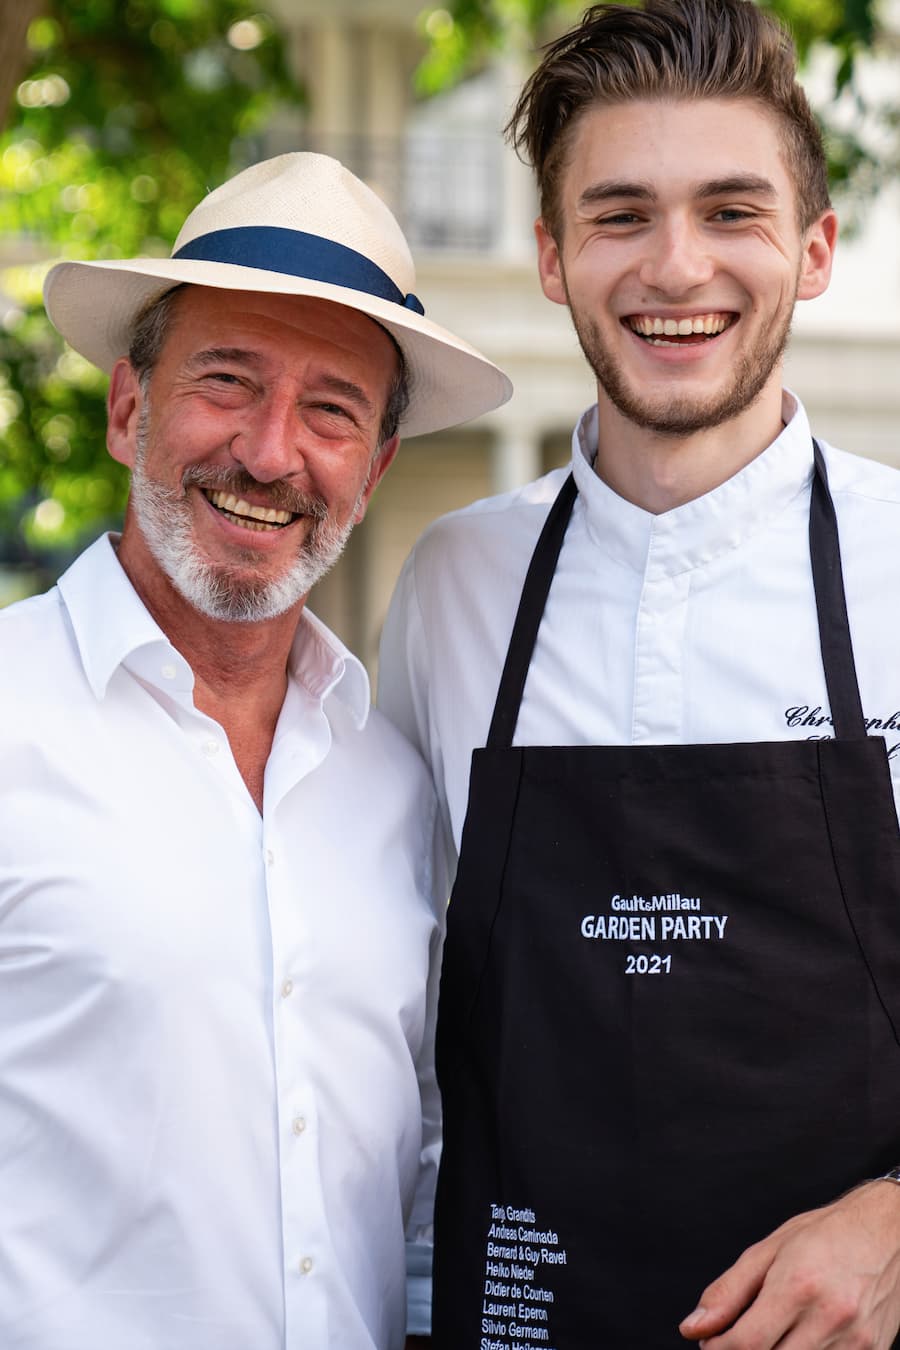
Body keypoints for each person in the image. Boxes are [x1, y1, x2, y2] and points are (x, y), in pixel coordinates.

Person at [377, 2, 900, 1346]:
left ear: (816, 249)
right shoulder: (451, 584)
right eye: (619, 216)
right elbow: (394, 1002)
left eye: (732, 210)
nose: (678, 268)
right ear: (552, 258)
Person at [0, 152, 511, 1350]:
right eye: (227, 381)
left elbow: (423, 1187)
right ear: (130, 410)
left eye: (331, 409)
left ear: (375, 470)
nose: (273, 453)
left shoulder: (389, 786)